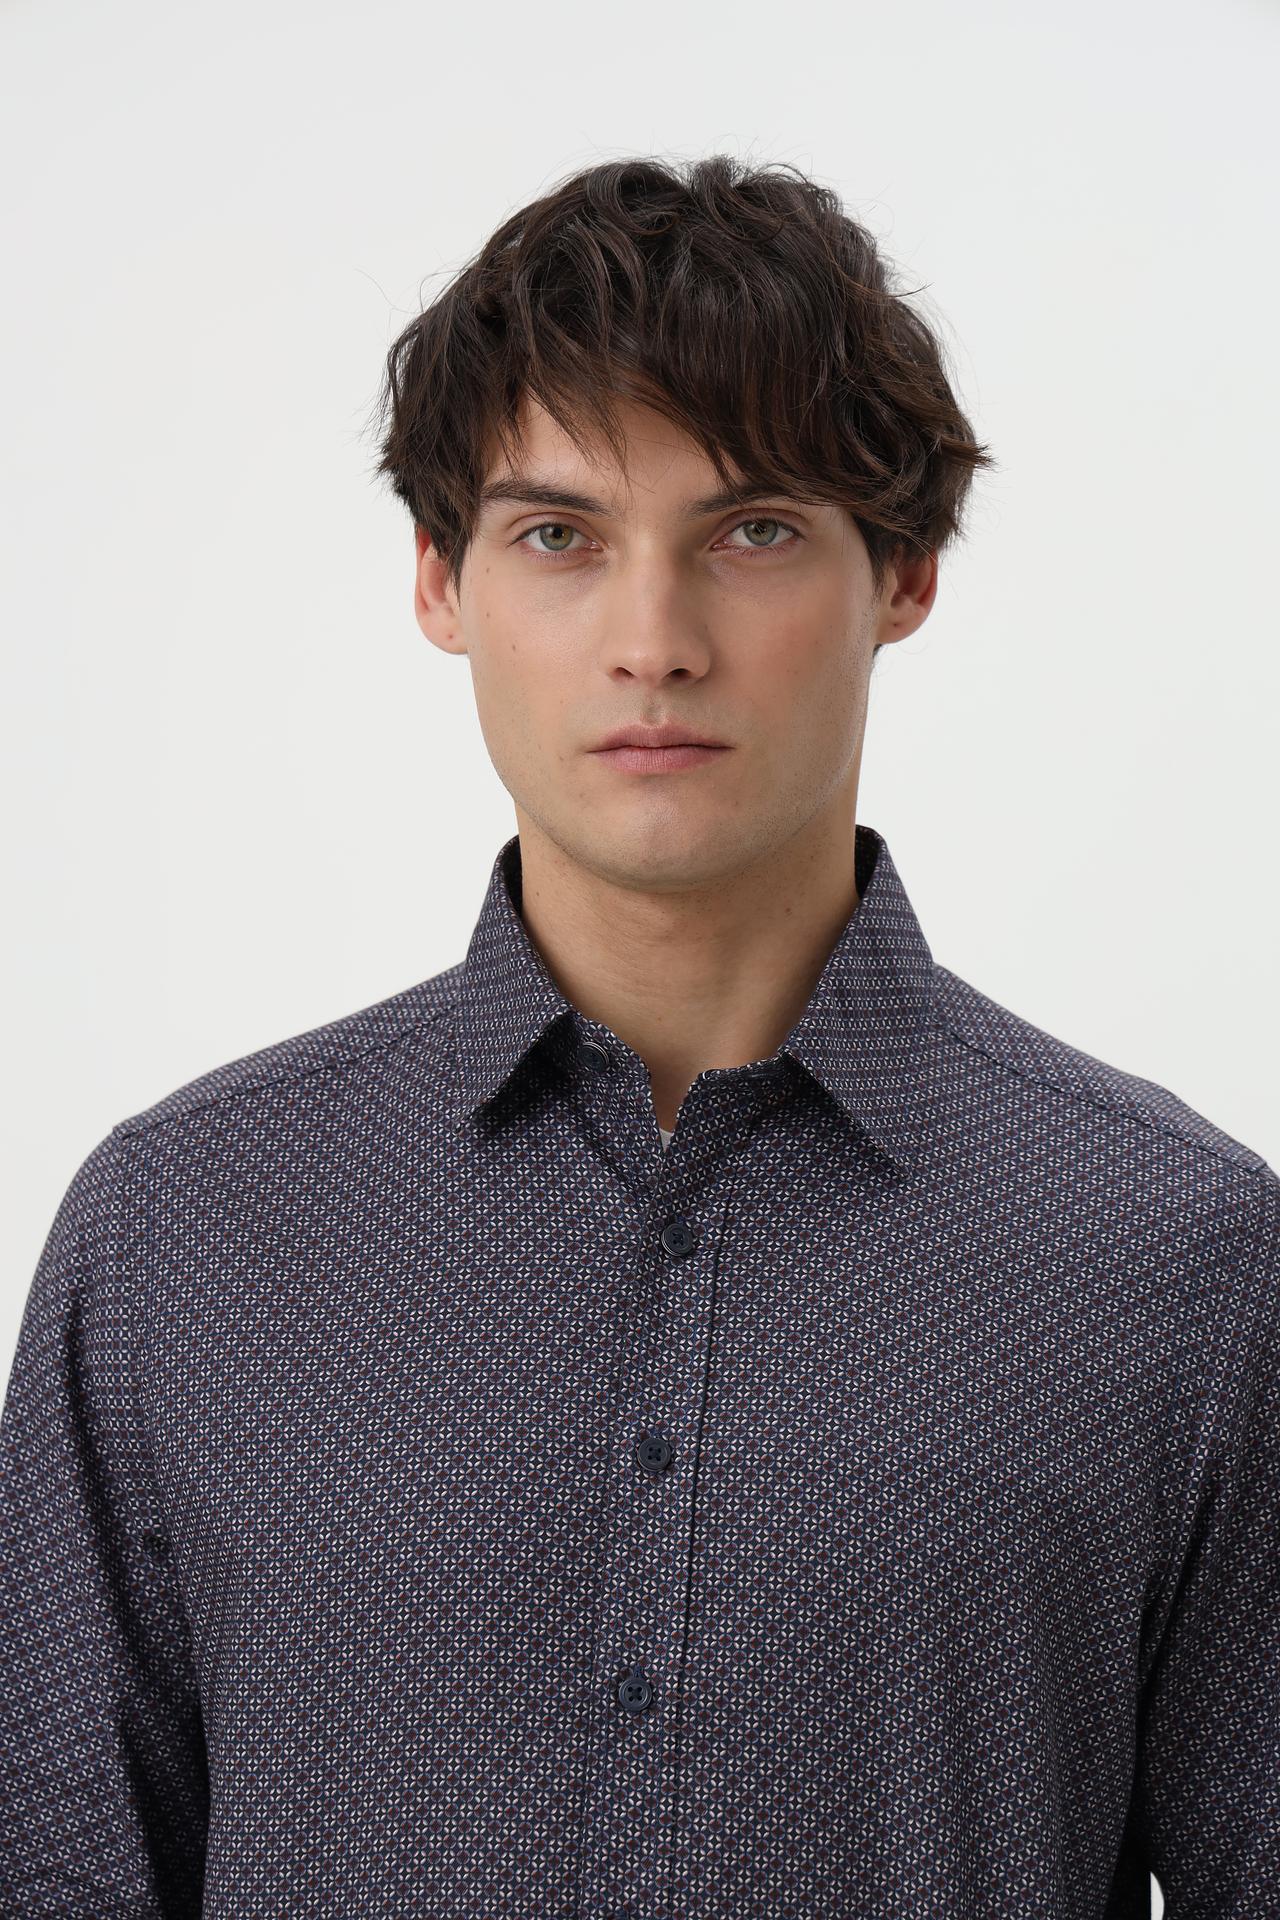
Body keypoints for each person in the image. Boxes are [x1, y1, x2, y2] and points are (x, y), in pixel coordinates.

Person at [1, 152, 1275, 1919]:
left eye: (753, 532)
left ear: (904, 572)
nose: (653, 642)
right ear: (439, 582)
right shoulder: (184, 1236)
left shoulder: (1184, 1260)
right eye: (559, 538)